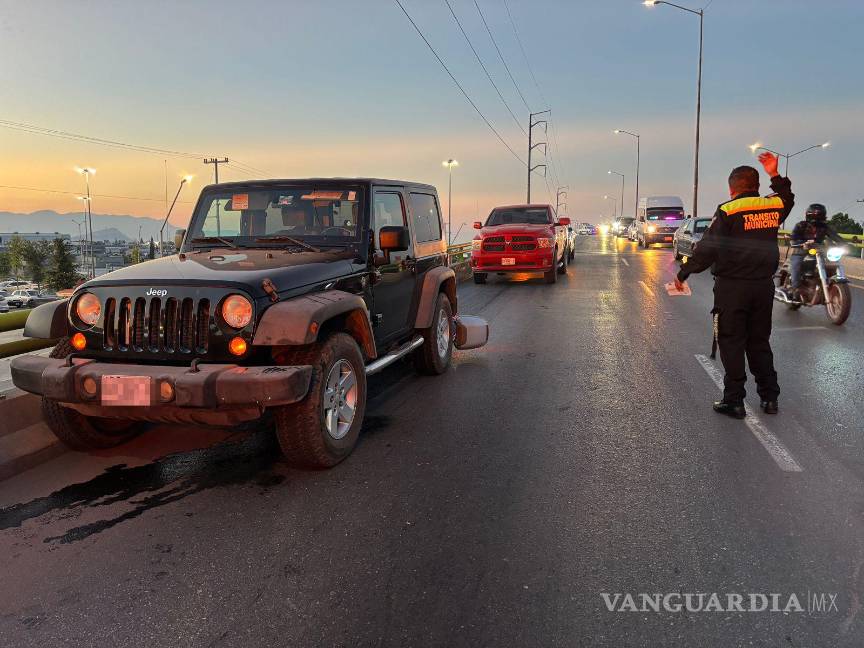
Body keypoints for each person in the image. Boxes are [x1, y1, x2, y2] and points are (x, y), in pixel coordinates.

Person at [675, 152, 794, 419]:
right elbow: (788, 198)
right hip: (763, 287)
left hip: (732, 289)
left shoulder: (728, 210)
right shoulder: (772, 206)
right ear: (757, 186)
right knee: (759, 342)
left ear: (732, 188)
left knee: (731, 341)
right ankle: (770, 397)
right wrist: (774, 173)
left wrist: (684, 272)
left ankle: (734, 401)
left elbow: (708, 248)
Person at [786, 203, 846, 301]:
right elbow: (793, 238)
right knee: (796, 265)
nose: (818, 219)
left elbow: (835, 236)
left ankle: (825, 284)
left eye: (820, 216)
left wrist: (846, 244)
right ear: (809, 215)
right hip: (800, 251)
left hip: (818, 251)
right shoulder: (801, 225)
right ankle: (795, 289)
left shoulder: (825, 227)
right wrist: (802, 243)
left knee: (830, 263)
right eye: (816, 216)